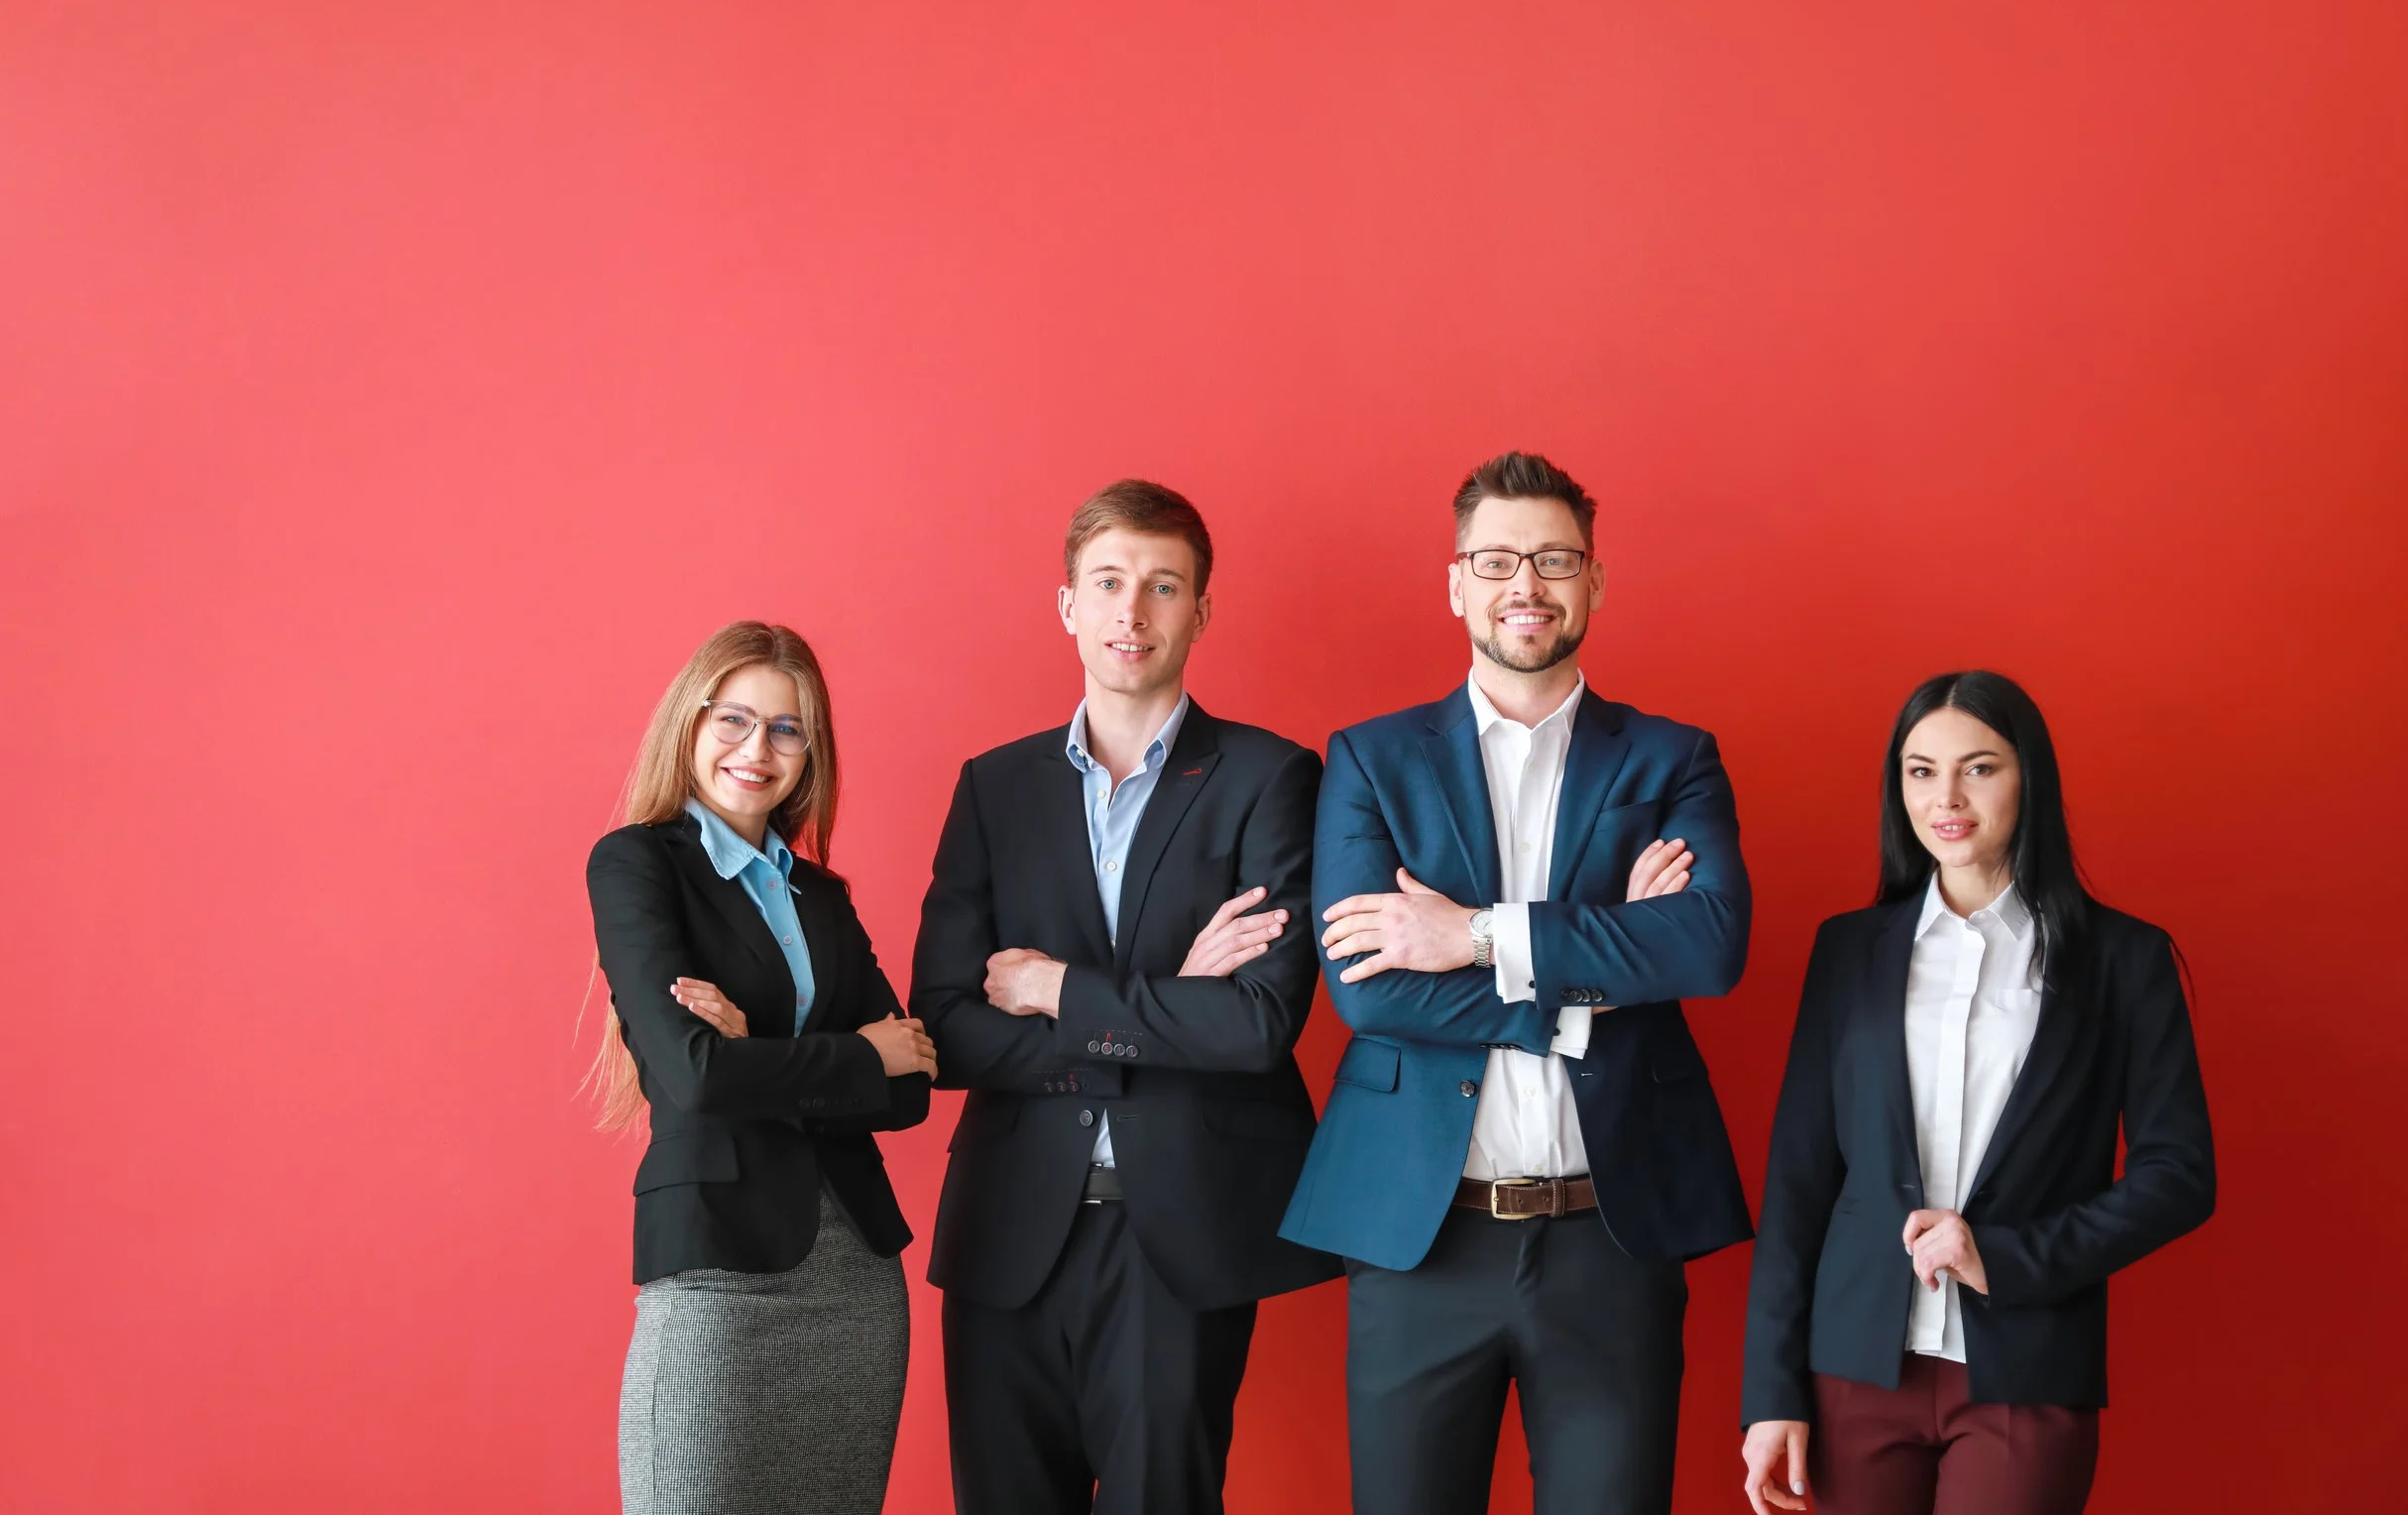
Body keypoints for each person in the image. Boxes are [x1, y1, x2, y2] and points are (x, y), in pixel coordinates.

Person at [1278, 450, 1755, 1515]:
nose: (1525, 584)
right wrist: (1601, 967)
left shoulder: (1673, 758)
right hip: (1419, 1236)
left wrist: (1473, 933)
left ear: (1594, 579)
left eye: (1554, 558)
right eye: (1496, 560)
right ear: (1456, 583)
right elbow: (1370, 989)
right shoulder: (1372, 758)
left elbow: (1708, 945)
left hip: (1610, 1239)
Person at [911, 480, 1339, 1515]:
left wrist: (1056, 988)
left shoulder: (1270, 777)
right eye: (1107, 583)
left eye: (1162, 585)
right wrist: (1164, 1008)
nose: (1131, 611)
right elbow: (948, 1029)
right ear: (1067, 603)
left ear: (1201, 609)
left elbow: (1255, 1023)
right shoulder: (995, 787)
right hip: (1009, 1230)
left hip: (1178, 1234)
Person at [1738, 670, 2215, 1515]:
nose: (1947, 797)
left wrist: (2007, 1256)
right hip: (1853, 1365)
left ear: (2030, 777)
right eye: (1921, 771)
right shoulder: (1848, 951)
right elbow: (1799, 1182)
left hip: (2026, 1368)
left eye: (1980, 768)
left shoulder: (2122, 960)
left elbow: (2179, 1175)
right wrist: (1771, 1391)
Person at [584, 620, 937, 1515]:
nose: (757, 749)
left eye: (786, 729)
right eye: (734, 719)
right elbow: (697, 1076)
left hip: (855, 1285)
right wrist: (853, 1056)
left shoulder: (822, 896)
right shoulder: (637, 864)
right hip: (715, 1273)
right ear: (691, 721)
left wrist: (759, 1055)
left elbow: (909, 1087)